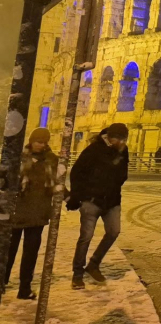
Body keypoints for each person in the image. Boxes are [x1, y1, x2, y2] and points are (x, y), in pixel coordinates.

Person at [68, 123, 130, 290]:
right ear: (110, 137)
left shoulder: (123, 150)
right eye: (119, 139)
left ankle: (93, 264)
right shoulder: (94, 149)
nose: (122, 142)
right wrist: (78, 196)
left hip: (112, 200)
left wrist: (116, 181)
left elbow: (123, 173)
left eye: (124, 139)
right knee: (86, 237)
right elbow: (77, 172)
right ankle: (77, 273)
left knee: (114, 231)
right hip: (92, 200)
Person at [4, 128, 58, 300]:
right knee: (8, 251)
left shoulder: (52, 160)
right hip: (16, 212)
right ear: (31, 140)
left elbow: (56, 183)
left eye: (44, 142)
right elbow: (6, 181)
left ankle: (24, 288)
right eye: (38, 141)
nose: (41, 145)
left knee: (30, 253)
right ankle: (1, 283)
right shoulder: (19, 158)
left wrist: (70, 197)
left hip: (37, 213)